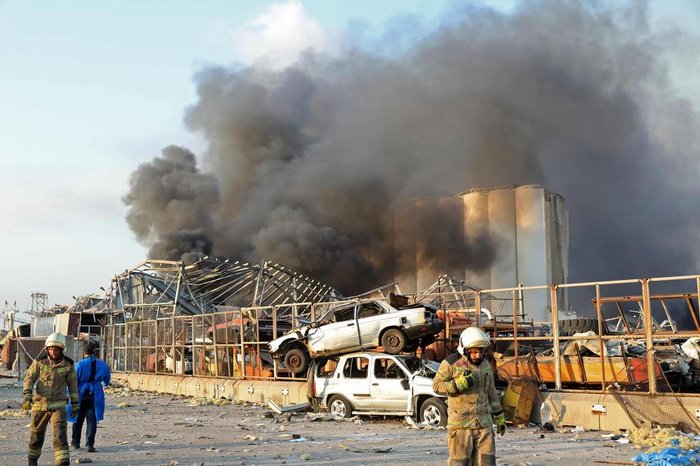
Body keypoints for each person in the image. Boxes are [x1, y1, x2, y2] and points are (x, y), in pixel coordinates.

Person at [432, 327, 506, 466]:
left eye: (481, 351)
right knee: (460, 463)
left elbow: (490, 391)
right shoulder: (450, 363)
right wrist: (457, 385)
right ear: (465, 350)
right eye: (474, 352)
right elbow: (436, 386)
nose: (478, 355)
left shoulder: (486, 365)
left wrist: (499, 415)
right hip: (461, 427)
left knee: (487, 462)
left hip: (484, 425)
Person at [22, 332, 79, 466]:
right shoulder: (39, 362)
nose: (53, 351)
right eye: (51, 349)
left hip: (58, 407)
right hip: (39, 405)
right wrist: (27, 394)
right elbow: (29, 378)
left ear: (61, 350)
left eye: (56, 349)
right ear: (47, 349)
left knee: (60, 436)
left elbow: (73, 386)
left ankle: (62, 462)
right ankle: (32, 461)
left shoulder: (68, 365)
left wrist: (75, 404)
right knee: (36, 436)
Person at [69, 343, 111, 452]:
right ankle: (90, 444)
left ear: (84, 352)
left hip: (80, 393)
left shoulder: (79, 365)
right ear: (95, 352)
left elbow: (72, 380)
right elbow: (107, 380)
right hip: (95, 394)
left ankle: (75, 442)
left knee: (78, 419)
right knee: (92, 420)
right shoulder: (103, 365)